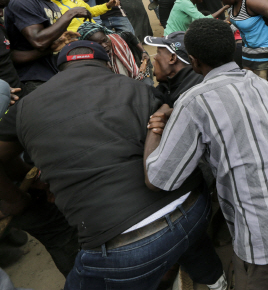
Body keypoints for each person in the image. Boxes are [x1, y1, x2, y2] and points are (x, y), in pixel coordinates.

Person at [0, 40, 227, 289]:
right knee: (190, 242)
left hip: (123, 245)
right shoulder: (138, 88)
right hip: (193, 206)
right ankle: (218, 283)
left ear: (60, 68)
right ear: (107, 64)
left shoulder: (25, 107)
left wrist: (14, 200)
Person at [144, 18, 268, 290]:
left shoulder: (194, 102)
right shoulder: (258, 83)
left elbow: (158, 179)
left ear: (193, 61)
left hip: (263, 235)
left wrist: (155, 126)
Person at [3, 0, 91, 94]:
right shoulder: (23, 0)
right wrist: (71, 13)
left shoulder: (50, 4)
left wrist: (59, 43)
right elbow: (39, 41)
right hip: (33, 78)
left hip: (51, 73)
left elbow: (49, 43)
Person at [144, 31, 203, 107]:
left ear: (172, 58)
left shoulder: (192, 96)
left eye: (158, 53)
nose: (154, 58)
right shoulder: (167, 85)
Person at [77, 21, 150, 80]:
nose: (104, 45)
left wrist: (143, 51)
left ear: (107, 36)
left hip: (137, 77)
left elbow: (130, 36)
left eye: (105, 40)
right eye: (98, 44)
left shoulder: (117, 39)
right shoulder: (89, 58)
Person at [164, 0, 228, 35]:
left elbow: (197, 22)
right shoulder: (184, 3)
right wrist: (224, 8)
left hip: (179, 35)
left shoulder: (191, 3)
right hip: (173, 36)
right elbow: (203, 19)